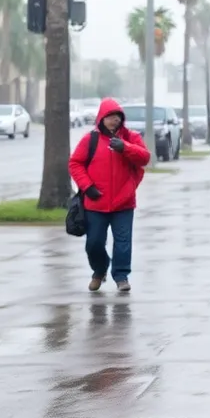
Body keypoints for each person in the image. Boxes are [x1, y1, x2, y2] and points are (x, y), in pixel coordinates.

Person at [67, 99, 151, 293]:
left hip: (124, 203)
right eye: (110, 117)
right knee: (94, 243)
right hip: (96, 203)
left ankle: (121, 276)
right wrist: (88, 187)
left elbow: (144, 158)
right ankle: (99, 269)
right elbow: (75, 163)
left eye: (118, 117)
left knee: (123, 242)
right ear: (101, 118)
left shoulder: (131, 137)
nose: (114, 120)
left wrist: (125, 147)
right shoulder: (91, 139)